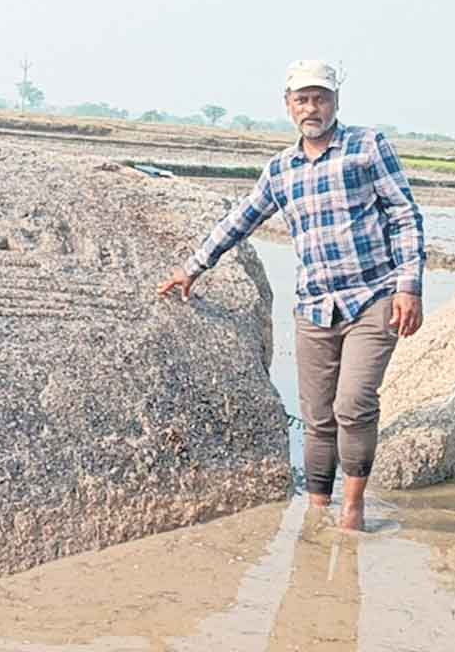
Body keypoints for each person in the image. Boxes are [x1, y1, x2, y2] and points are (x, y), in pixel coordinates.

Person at [156, 59, 425, 531]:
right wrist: (193, 267)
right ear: (288, 106)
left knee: (353, 405)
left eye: (320, 97)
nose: (311, 107)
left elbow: (404, 215)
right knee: (318, 416)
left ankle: (353, 508)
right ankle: (317, 508)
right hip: (315, 306)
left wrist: (408, 286)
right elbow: (241, 219)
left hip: (373, 296)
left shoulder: (367, 147)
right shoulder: (282, 169)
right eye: (302, 99)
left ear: (336, 101)